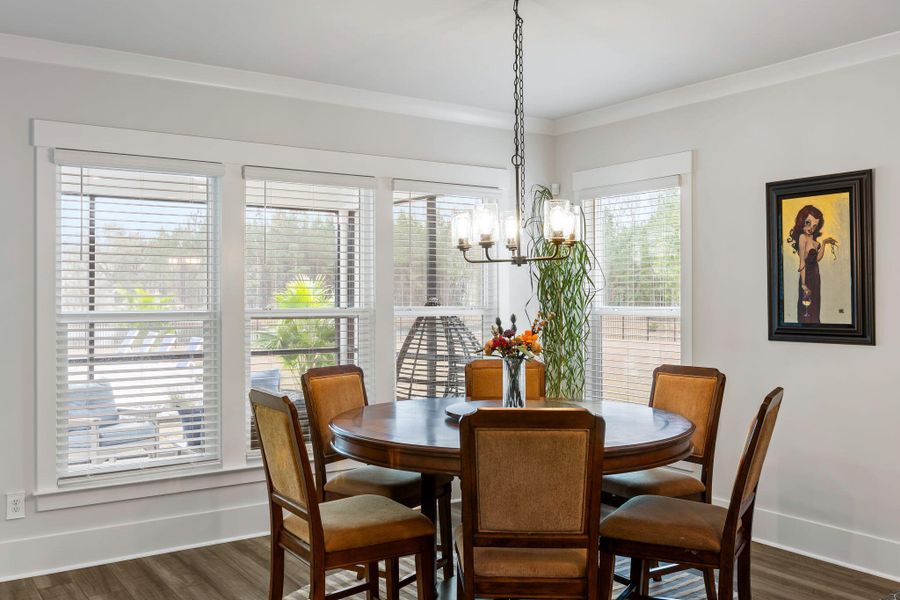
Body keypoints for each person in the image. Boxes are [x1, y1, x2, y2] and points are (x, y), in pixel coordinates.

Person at [787, 205, 837, 324]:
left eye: (814, 226)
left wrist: (824, 244)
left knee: (814, 305)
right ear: (801, 220)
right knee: (806, 308)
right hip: (807, 277)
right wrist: (803, 284)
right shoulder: (802, 237)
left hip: (815, 276)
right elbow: (802, 261)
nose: (811, 228)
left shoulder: (812, 238)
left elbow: (817, 259)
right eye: (808, 223)